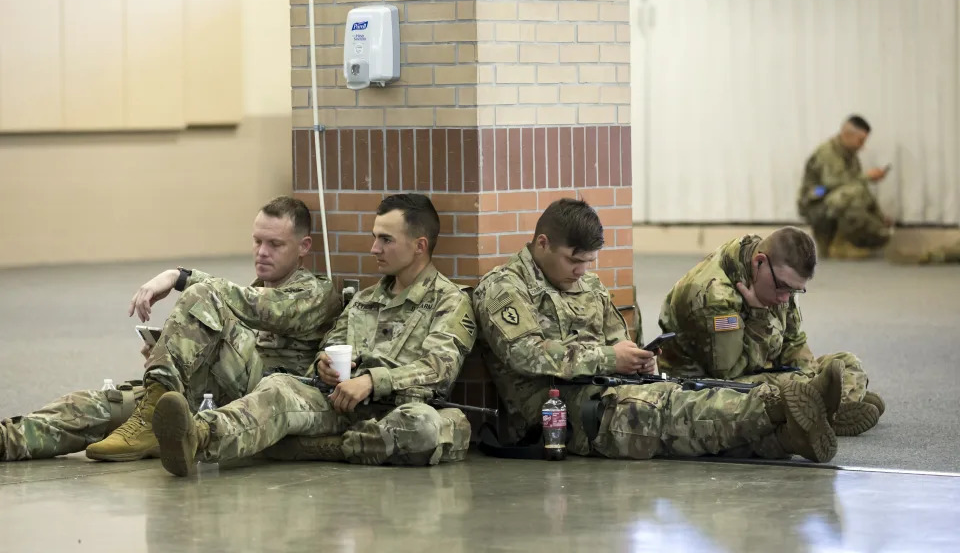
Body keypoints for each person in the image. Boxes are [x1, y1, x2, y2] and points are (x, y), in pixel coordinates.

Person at [474, 199, 843, 464]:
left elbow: (617, 340)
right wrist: (609, 358)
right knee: (672, 411)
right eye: (573, 260)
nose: (581, 271)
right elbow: (526, 354)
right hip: (560, 415)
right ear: (542, 244)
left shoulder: (590, 286)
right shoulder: (504, 289)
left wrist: (635, 361)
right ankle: (782, 405)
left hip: (610, 391)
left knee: (689, 401)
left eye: (588, 262)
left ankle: (786, 436)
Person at [149, 193, 476, 477]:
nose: (374, 247)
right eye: (375, 237)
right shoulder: (365, 299)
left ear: (419, 246)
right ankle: (200, 435)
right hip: (337, 403)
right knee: (278, 387)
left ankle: (316, 447)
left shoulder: (450, 300)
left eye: (386, 240)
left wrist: (374, 381)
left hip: (392, 411)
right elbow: (333, 341)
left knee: (424, 426)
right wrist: (324, 362)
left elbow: (439, 368)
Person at [0, 196, 340, 462]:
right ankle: (9, 441)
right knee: (95, 405)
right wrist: (171, 351)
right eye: (257, 241)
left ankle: (153, 415)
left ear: (304, 247)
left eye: (275, 244)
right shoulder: (246, 293)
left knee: (203, 295)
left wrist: (178, 276)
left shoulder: (316, 293)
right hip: (207, 394)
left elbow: (263, 310)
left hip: (260, 401)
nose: (262, 252)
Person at [657, 226, 884, 437]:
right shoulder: (713, 297)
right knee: (801, 383)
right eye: (783, 287)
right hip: (707, 388)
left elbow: (793, 341)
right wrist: (758, 315)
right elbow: (728, 372)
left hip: (757, 368)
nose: (785, 297)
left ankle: (830, 403)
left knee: (845, 362)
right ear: (759, 263)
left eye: (795, 290)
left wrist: (813, 375)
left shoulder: (770, 272)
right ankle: (835, 405)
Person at [797, 114, 893, 259]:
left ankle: (838, 242)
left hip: (832, 201)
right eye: (860, 141)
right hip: (816, 202)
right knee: (853, 193)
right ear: (847, 134)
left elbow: (858, 186)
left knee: (881, 232)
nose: (862, 146)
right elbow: (834, 182)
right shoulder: (827, 152)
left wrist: (880, 216)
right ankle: (839, 244)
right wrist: (868, 176)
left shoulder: (851, 156)